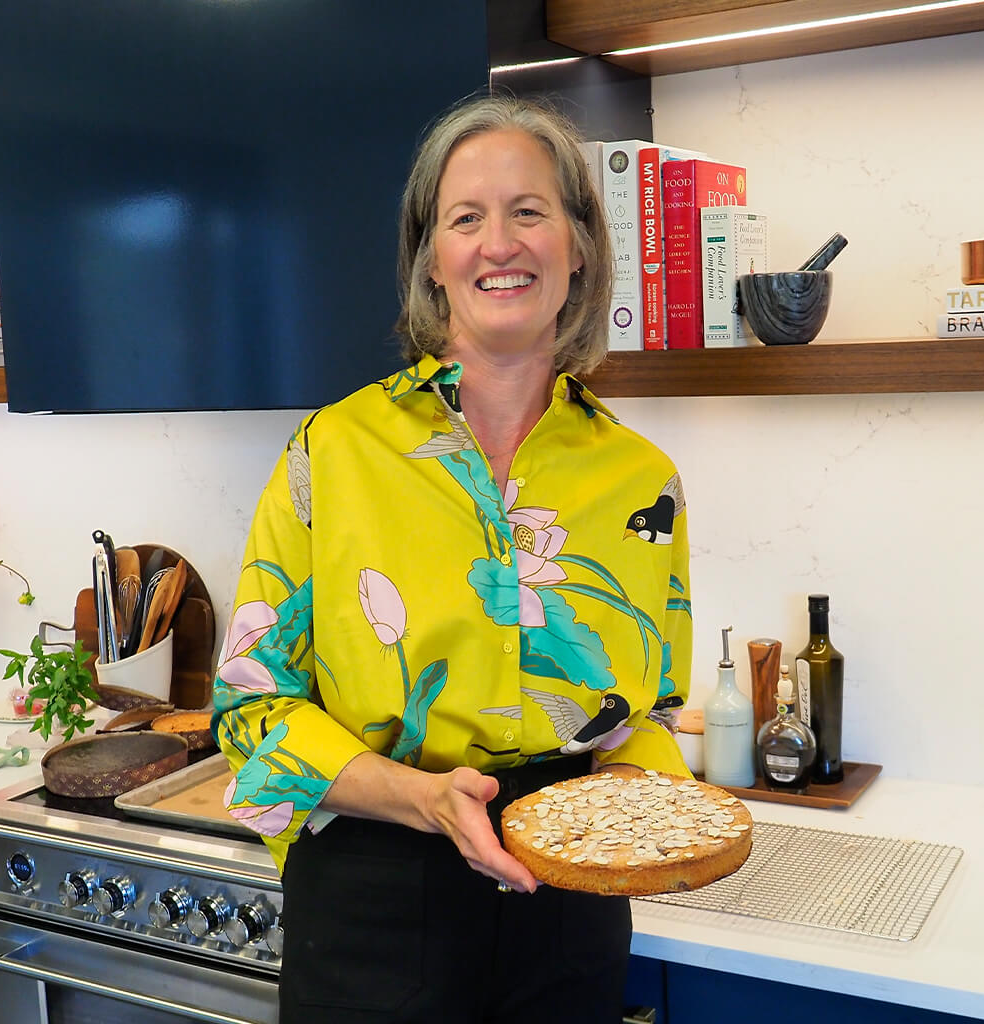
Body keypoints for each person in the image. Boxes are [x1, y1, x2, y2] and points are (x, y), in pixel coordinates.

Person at [212, 93, 694, 1024]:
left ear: (580, 245)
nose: (498, 243)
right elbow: (253, 709)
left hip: (573, 899)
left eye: (529, 211)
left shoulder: (644, 479)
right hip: (372, 894)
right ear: (432, 258)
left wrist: (647, 811)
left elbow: (652, 710)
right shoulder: (333, 451)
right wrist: (425, 799)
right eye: (465, 218)